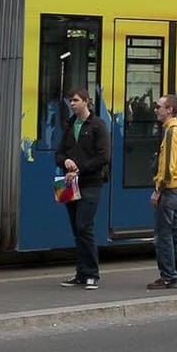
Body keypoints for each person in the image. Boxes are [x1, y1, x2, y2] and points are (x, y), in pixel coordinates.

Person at [56, 88, 110, 290]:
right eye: (70, 100)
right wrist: (66, 161)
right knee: (76, 229)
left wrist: (79, 169)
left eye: (76, 100)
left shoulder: (98, 126)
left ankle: (92, 274)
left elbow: (104, 157)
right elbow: (59, 153)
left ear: (86, 102)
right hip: (69, 183)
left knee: (84, 226)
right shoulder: (70, 126)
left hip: (91, 183)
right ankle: (81, 273)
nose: (72, 104)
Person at [148, 94, 177, 290]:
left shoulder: (170, 133)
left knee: (163, 235)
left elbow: (167, 167)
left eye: (159, 107)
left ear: (170, 110)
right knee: (176, 232)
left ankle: (168, 276)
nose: (156, 110)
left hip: (169, 190)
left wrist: (158, 189)